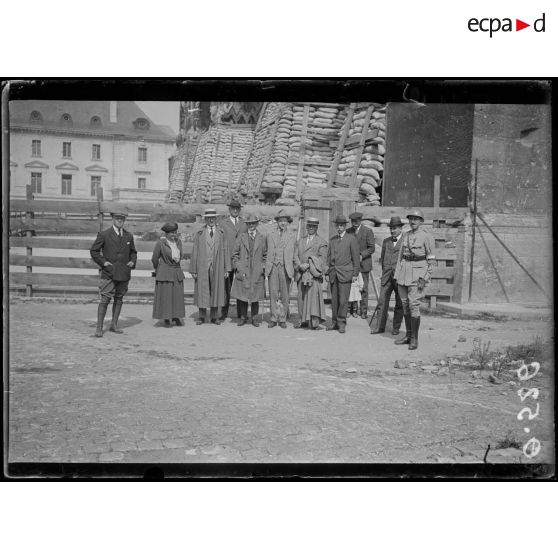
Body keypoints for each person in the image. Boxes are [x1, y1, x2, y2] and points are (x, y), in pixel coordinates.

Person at [90, 210, 137, 337]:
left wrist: (133, 261)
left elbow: (133, 252)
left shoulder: (128, 236)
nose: (120, 220)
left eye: (122, 218)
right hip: (109, 273)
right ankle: (99, 328)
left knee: (119, 298)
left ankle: (114, 325)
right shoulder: (104, 234)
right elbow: (94, 251)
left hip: (123, 273)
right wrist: (103, 262)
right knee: (105, 299)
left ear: (125, 220)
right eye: (117, 218)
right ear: (113, 219)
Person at [393, 209, 435, 350]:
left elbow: (431, 259)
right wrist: (397, 275)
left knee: (414, 306)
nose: (413, 222)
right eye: (411, 219)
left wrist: (425, 277)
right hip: (403, 275)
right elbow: (400, 257)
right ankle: (408, 336)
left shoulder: (427, 237)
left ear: (421, 221)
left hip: (418, 275)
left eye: (416, 219)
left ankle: (415, 339)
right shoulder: (405, 235)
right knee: (405, 305)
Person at [190, 208, 231, 325]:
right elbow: (195, 251)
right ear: (205, 219)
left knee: (216, 290)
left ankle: (214, 317)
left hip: (217, 266)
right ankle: (202, 316)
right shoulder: (200, 233)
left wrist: (227, 268)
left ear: (216, 219)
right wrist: (193, 269)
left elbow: (226, 250)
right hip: (203, 266)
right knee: (202, 291)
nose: (211, 220)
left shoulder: (221, 233)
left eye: (213, 218)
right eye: (209, 218)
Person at [231, 213, 267, 327]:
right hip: (244, 270)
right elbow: (234, 254)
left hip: (256, 270)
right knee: (243, 295)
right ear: (247, 225)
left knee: (255, 295)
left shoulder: (262, 238)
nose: (251, 225)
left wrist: (263, 266)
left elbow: (265, 255)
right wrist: (238, 266)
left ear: (256, 224)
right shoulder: (241, 237)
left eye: (253, 223)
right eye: (249, 223)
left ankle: (255, 318)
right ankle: (243, 317)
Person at [370, 216, 404, 335]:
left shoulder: (406, 241)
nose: (393, 231)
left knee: (399, 303)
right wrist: (385, 272)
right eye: (391, 228)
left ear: (400, 228)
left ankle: (396, 327)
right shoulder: (386, 241)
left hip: (400, 277)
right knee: (382, 302)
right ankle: (380, 327)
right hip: (386, 277)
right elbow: (383, 257)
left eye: (395, 228)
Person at [326, 215, 360, 334]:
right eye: (337, 225)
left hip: (346, 274)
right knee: (334, 300)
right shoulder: (333, 240)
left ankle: (341, 323)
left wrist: (355, 273)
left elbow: (356, 258)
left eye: (341, 225)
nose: (339, 228)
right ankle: (334, 322)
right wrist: (327, 272)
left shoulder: (351, 239)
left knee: (343, 300)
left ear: (345, 226)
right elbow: (329, 257)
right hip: (334, 274)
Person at [293, 216, 328, 330]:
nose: (311, 228)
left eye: (313, 226)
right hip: (301, 273)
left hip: (312, 275)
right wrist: (299, 265)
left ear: (316, 228)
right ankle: (302, 321)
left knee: (313, 299)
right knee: (301, 298)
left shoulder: (321, 242)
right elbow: (295, 255)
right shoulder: (300, 241)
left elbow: (322, 260)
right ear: (306, 227)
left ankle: (314, 323)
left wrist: (309, 264)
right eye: (309, 226)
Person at [265, 208, 296, 329]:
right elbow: (266, 251)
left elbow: (294, 254)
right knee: (273, 294)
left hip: (285, 268)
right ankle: (273, 318)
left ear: (288, 222)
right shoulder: (270, 235)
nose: (282, 223)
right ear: (277, 222)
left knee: (285, 295)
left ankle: (282, 318)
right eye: (280, 221)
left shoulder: (292, 236)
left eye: (285, 221)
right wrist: (266, 266)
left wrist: (293, 268)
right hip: (273, 267)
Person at [151, 222, 186, 328]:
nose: (174, 235)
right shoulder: (161, 243)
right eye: (171, 233)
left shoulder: (179, 242)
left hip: (176, 272)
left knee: (177, 296)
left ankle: (176, 316)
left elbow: (180, 256)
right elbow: (154, 258)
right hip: (165, 273)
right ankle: (166, 318)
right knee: (166, 296)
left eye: (175, 232)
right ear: (166, 233)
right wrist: (159, 269)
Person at [219, 199, 247, 320]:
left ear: (240, 210)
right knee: (226, 286)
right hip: (227, 260)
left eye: (237, 208)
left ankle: (241, 313)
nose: (235, 210)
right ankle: (223, 312)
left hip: (240, 260)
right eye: (233, 208)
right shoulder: (222, 223)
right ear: (229, 209)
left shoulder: (244, 223)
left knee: (240, 285)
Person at [347, 211, 376, 319]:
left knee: (363, 288)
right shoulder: (348, 232)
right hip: (351, 265)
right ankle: (350, 310)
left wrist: (361, 255)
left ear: (360, 220)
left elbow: (371, 248)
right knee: (351, 287)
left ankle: (363, 311)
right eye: (352, 221)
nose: (354, 223)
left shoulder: (368, 231)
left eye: (357, 221)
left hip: (364, 264)